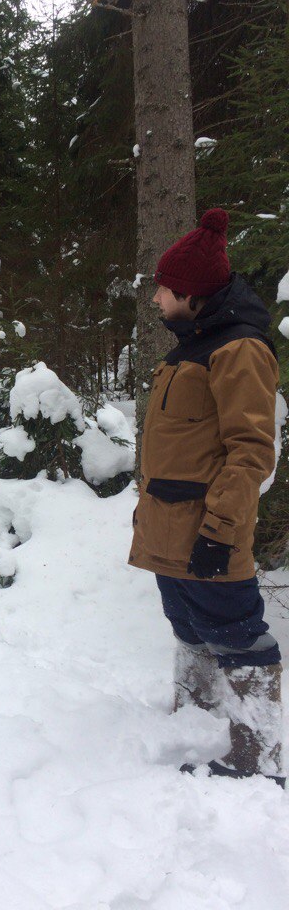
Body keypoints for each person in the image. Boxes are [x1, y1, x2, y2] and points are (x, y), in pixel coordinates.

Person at [129, 207, 284, 787]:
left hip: (208, 532)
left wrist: (220, 532)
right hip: (170, 531)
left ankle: (259, 758)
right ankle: (194, 717)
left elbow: (250, 452)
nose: (157, 301)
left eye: (164, 291)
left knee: (240, 638)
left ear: (191, 294)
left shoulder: (238, 350)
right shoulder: (193, 344)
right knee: (189, 626)